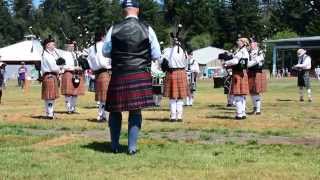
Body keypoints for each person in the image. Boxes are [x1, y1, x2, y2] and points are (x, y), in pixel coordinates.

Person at [102, 0, 161, 155]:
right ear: (138, 10)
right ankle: (132, 148)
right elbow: (156, 54)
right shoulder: (148, 29)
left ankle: (114, 146)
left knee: (115, 110)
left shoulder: (113, 28)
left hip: (120, 72)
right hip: (140, 72)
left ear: (124, 11)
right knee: (135, 111)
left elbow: (105, 52)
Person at [162, 37, 188, 122]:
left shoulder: (168, 51)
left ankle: (173, 117)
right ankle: (179, 116)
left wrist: (164, 67)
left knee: (172, 97)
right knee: (180, 97)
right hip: (182, 72)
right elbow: (186, 63)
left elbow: (161, 61)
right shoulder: (184, 52)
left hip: (171, 73)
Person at [88, 31, 112, 122]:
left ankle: (102, 115)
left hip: (98, 73)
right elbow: (106, 60)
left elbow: (90, 62)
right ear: (102, 37)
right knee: (105, 96)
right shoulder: (104, 46)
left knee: (102, 97)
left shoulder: (91, 48)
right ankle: (102, 115)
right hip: (105, 72)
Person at [223, 38, 250, 120]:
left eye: (239, 41)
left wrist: (226, 63)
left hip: (238, 73)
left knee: (238, 94)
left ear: (243, 43)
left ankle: (239, 114)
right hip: (242, 73)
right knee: (241, 95)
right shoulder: (242, 50)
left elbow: (235, 61)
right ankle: (242, 113)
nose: (237, 42)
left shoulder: (242, 51)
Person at [61, 39, 85, 114]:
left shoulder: (75, 54)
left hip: (76, 74)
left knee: (75, 93)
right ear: (67, 46)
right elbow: (63, 66)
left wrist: (80, 66)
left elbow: (78, 63)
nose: (72, 47)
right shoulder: (64, 54)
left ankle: (73, 108)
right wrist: (74, 68)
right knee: (68, 93)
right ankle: (68, 108)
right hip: (68, 73)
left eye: (73, 46)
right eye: (71, 46)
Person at [41, 36, 61, 119]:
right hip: (50, 76)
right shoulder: (46, 55)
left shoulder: (49, 54)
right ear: (47, 45)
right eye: (52, 44)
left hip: (50, 76)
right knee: (50, 96)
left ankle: (49, 112)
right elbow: (53, 67)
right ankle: (50, 114)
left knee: (49, 97)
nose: (54, 46)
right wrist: (60, 68)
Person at [247, 38, 267, 115]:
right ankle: (254, 108)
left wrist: (248, 64)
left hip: (257, 72)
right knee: (251, 91)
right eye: (250, 43)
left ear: (256, 44)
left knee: (256, 91)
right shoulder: (249, 52)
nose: (250, 45)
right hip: (250, 72)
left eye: (252, 43)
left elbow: (259, 59)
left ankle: (258, 110)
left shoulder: (260, 51)